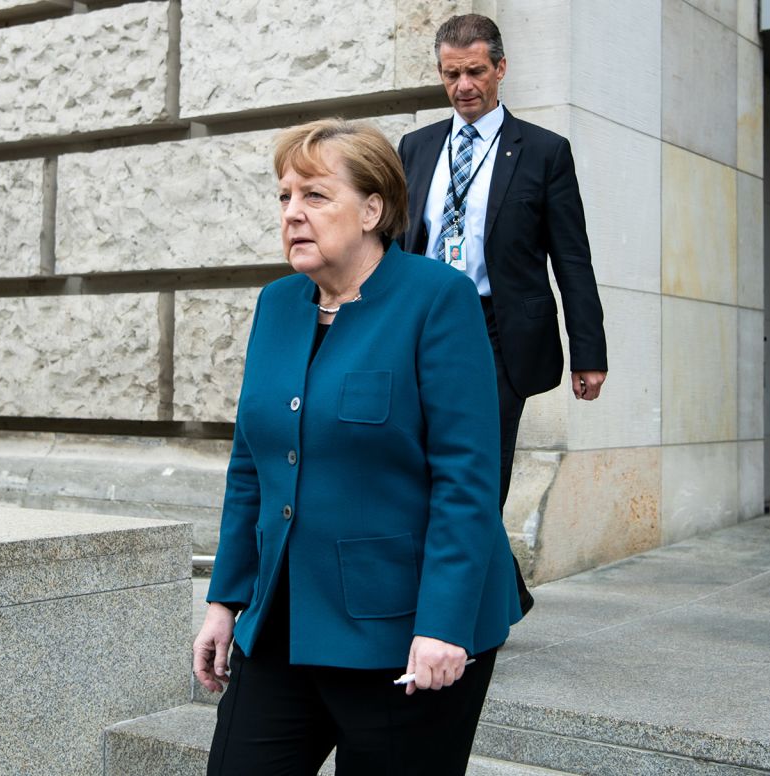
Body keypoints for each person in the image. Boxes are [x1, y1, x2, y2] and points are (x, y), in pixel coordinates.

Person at [193, 118, 521, 776]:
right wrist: (226, 600)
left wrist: (444, 623)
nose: (292, 214)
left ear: (373, 209)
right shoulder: (278, 304)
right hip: (283, 618)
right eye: (284, 197)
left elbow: (466, 480)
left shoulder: (437, 300)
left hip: (402, 631)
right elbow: (251, 467)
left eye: (315, 196)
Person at [396, 14, 609, 610]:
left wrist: (588, 351)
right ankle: (502, 592)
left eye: (475, 72)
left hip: (496, 332)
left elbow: (572, 257)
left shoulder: (544, 152)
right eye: (451, 73)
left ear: (501, 69)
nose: (463, 85)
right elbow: (392, 243)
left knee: (479, 467)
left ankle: (456, 607)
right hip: (422, 326)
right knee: (417, 461)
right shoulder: (416, 147)